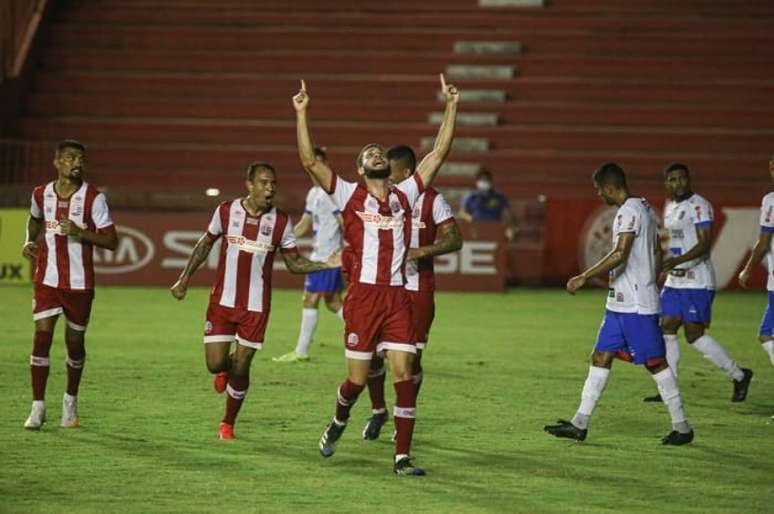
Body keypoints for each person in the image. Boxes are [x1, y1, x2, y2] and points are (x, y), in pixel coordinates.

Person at [293, 74, 459, 475]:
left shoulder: (406, 196)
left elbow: (437, 153)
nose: (376, 153)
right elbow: (309, 162)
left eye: (379, 151)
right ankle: (338, 419)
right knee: (356, 379)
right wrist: (301, 112)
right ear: (360, 168)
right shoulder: (349, 194)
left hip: (398, 297)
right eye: (369, 152)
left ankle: (402, 457)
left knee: (404, 373)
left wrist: (451, 106)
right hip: (364, 298)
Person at [170, 162, 340, 440]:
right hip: (222, 302)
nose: (270, 188)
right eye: (264, 182)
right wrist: (184, 279)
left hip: (256, 307)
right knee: (216, 364)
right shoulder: (226, 211)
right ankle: (223, 372)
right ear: (249, 185)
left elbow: (295, 264)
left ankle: (228, 422)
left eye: (273, 183)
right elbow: (205, 243)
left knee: (242, 366)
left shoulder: (281, 222)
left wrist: (326, 264)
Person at [544, 162, 694, 445]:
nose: (599, 195)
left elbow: (620, 253)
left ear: (610, 188)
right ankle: (580, 423)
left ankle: (683, 427)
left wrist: (583, 276)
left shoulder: (629, 212)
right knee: (600, 356)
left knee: (656, 363)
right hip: (619, 304)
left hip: (638, 304)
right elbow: (657, 249)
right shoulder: (645, 207)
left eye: (599, 190)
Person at [361, 144, 462, 441]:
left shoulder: (432, 200)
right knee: (371, 358)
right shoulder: (380, 199)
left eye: (391, 173)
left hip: (417, 293)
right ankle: (378, 410)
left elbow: (455, 239)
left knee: (412, 361)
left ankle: (404, 413)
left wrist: (421, 250)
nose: (386, 179)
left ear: (407, 173)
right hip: (381, 291)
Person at [22, 139, 118, 430]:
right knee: (42, 337)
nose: (77, 163)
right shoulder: (41, 194)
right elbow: (35, 219)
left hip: (79, 284)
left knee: (74, 344)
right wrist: (28, 240)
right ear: (57, 162)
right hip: (47, 279)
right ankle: (37, 407)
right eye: (70, 158)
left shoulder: (93, 199)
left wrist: (80, 231)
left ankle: (70, 400)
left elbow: (112, 241)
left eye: (81, 158)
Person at [643, 162, 752, 402]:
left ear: (689, 180)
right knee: (667, 327)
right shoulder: (670, 206)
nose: (678, 183)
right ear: (666, 183)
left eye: (682, 178)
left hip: (697, 280)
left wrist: (677, 260)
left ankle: (739, 374)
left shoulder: (700, 206)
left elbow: (704, 245)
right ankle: (669, 387)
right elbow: (672, 241)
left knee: (694, 335)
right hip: (675, 280)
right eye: (672, 179)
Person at [274, 146, 345, 363]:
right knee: (332, 302)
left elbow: (345, 223)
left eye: (319, 164)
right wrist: (282, 238)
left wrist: (347, 250)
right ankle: (370, 338)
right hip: (319, 256)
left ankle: (301, 351)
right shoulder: (314, 193)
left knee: (310, 299)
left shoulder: (329, 195)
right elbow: (305, 224)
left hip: (328, 258)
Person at [738, 155, 774, 369]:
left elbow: (763, 244)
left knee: (766, 334)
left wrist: (747, 270)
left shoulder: (771, 200)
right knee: (766, 334)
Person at [458, 169, 518, 240]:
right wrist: (469, 218)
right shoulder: (470, 197)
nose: (484, 182)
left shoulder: (499, 197)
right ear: (477, 181)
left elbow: (508, 214)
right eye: (482, 180)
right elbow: (461, 213)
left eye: (486, 180)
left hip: (495, 229)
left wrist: (509, 227)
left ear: (490, 181)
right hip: (477, 229)